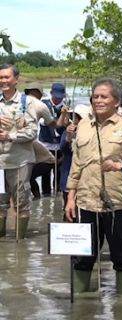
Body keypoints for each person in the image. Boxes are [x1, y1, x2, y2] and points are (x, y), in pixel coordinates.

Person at [65, 78, 122, 294]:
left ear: (116, 101)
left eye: (104, 97)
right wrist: (71, 198)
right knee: (83, 256)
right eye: (95, 97)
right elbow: (76, 164)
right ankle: (80, 305)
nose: (98, 101)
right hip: (85, 201)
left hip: (116, 202)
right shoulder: (83, 125)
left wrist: (119, 166)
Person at [0, 64, 38, 239]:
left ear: (16, 79)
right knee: (0, 205)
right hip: (0, 165)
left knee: (22, 203)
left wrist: (10, 135)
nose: (3, 81)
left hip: (19, 161)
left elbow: (32, 132)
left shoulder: (27, 102)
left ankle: (20, 244)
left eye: (7, 77)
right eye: (1, 78)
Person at [37, 83, 67, 196]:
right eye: (56, 96)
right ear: (51, 93)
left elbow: (66, 124)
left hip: (60, 144)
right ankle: (46, 195)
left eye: (60, 97)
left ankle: (58, 196)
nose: (58, 99)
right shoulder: (43, 105)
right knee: (45, 172)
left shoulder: (66, 106)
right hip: (45, 144)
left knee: (59, 171)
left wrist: (65, 114)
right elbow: (44, 122)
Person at [59, 104, 91, 207]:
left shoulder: (91, 132)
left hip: (86, 179)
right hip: (68, 175)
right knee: (68, 210)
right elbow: (63, 149)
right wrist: (69, 137)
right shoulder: (68, 131)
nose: (74, 120)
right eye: (72, 117)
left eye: (76, 117)